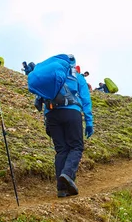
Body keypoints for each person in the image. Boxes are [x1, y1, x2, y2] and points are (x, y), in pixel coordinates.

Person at [31, 55, 94, 198]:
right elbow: (85, 100)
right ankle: (67, 174)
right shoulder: (78, 77)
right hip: (72, 112)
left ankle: (61, 188)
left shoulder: (51, 77)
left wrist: (47, 121)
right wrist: (89, 122)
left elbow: (41, 100)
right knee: (76, 146)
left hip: (52, 114)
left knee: (61, 150)